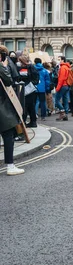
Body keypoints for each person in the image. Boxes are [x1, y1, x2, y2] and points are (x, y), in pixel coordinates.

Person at [0, 48, 25, 176]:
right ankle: (10, 166)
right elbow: (9, 80)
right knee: (8, 135)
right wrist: (3, 67)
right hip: (2, 107)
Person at [16, 53, 39, 128]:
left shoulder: (31, 67)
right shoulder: (19, 68)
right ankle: (30, 122)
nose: (19, 63)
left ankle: (31, 122)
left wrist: (30, 84)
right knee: (28, 106)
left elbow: (36, 79)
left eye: (21, 62)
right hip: (23, 89)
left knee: (28, 106)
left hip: (30, 90)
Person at [54, 56, 71, 121]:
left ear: (63, 60)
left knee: (57, 100)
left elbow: (61, 79)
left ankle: (62, 112)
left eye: (59, 59)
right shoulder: (67, 67)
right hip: (67, 85)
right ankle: (65, 114)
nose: (58, 61)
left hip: (63, 85)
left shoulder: (63, 68)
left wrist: (57, 88)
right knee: (65, 100)